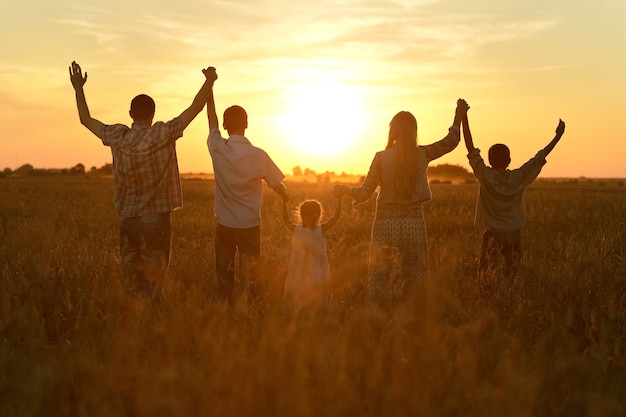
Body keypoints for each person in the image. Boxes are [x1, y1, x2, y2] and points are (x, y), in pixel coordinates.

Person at [69, 61, 216, 299]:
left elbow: (86, 119)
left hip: (127, 220)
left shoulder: (118, 136)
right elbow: (195, 107)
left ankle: (132, 327)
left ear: (130, 115)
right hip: (156, 220)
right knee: (154, 285)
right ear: (153, 114)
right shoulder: (162, 134)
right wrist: (209, 81)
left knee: (131, 283)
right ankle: (150, 328)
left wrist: (78, 88)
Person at [334, 99, 469, 309]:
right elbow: (451, 141)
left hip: (385, 226)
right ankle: (413, 317)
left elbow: (364, 193)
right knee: (414, 274)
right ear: (414, 131)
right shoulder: (423, 154)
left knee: (382, 273)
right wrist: (458, 116)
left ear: (393, 131)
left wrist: (343, 189)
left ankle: (382, 317)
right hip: (414, 224)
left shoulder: (381, 158)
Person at [205, 69, 290, 307]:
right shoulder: (259, 155)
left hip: (224, 226)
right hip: (250, 226)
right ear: (247, 125)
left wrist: (209, 88)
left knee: (224, 279)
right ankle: (254, 315)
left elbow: (210, 118)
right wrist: (287, 195)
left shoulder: (218, 148)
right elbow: (277, 185)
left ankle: (226, 312)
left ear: (224, 125)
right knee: (253, 279)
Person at [462, 103, 565, 294]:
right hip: (513, 235)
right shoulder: (519, 177)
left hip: (491, 234)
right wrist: (557, 136)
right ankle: (507, 307)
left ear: (489, 161)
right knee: (510, 279)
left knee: (485, 279)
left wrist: (463, 117)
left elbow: (470, 147)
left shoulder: (485, 176)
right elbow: (539, 157)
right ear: (509, 160)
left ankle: (488, 308)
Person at [281, 195, 342, 314]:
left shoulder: (296, 229)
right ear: (318, 215)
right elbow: (336, 217)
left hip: (298, 271)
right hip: (317, 271)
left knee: (299, 294)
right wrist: (340, 199)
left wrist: (284, 201)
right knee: (318, 295)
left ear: (301, 215)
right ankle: (316, 316)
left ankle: (299, 315)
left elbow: (286, 220)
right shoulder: (321, 229)